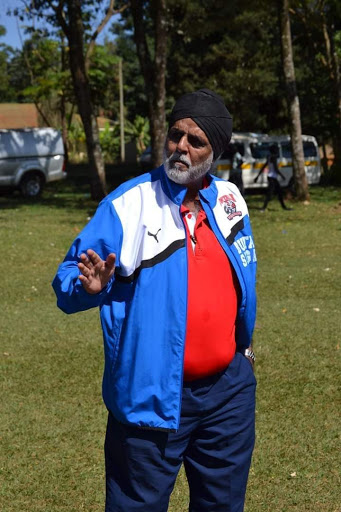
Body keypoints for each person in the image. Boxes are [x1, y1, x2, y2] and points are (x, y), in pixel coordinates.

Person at [52, 89, 257, 512]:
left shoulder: (231, 199)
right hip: (151, 398)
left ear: (215, 150)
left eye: (195, 141)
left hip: (227, 395)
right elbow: (68, 278)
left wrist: (241, 349)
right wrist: (88, 287)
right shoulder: (130, 204)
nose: (181, 147)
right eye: (176, 134)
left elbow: (241, 279)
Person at [254, 144, 292, 211]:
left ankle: (284, 207)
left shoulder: (269, 157)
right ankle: (263, 208)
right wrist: (282, 176)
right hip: (272, 177)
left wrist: (257, 176)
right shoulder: (273, 157)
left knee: (279, 192)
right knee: (270, 193)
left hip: (271, 177)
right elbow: (276, 169)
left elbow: (264, 166)